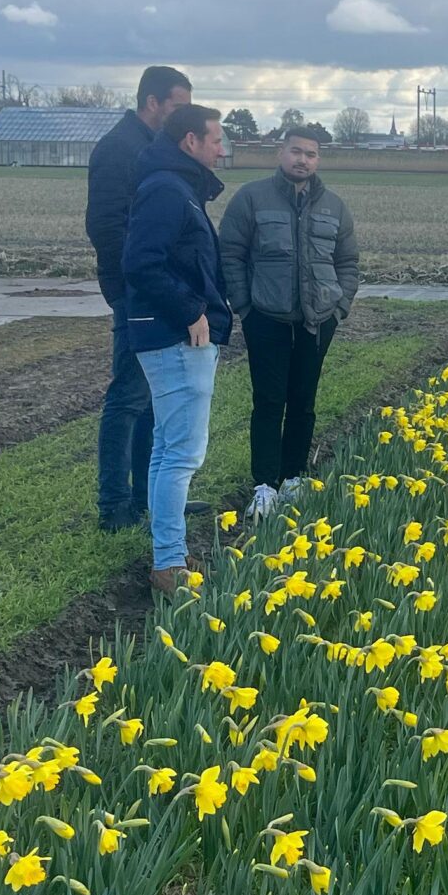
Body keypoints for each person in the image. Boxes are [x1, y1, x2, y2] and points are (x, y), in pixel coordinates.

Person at [219, 126, 359, 515]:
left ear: (318, 160)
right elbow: (230, 253)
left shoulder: (333, 205)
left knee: (304, 400)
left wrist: (340, 306)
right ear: (281, 154)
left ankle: (295, 478)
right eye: (296, 151)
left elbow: (348, 262)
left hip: (318, 321)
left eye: (311, 154)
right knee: (268, 400)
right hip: (266, 317)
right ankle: (264, 485)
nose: (303, 160)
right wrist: (244, 306)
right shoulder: (252, 198)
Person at [121, 102, 231, 591]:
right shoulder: (167, 190)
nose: (222, 148)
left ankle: (167, 552)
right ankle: (169, 563)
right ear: (190, 141)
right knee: (181, 453)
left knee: (167, 449)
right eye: (216, 140)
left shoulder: (175, 186)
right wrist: (191, 310)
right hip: (176, 336)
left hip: (170, 333)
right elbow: (141, 262)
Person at [85, 65, 194, 530]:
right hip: (137, 292)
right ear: (153, 102)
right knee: (128, 395)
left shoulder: (154, 149)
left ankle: (151, 497)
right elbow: (106, 226)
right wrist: (134, 284)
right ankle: (115, 505)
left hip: (159, 289)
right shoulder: (119, 149)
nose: (183, 116)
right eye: (178, 106)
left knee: (153, 396)